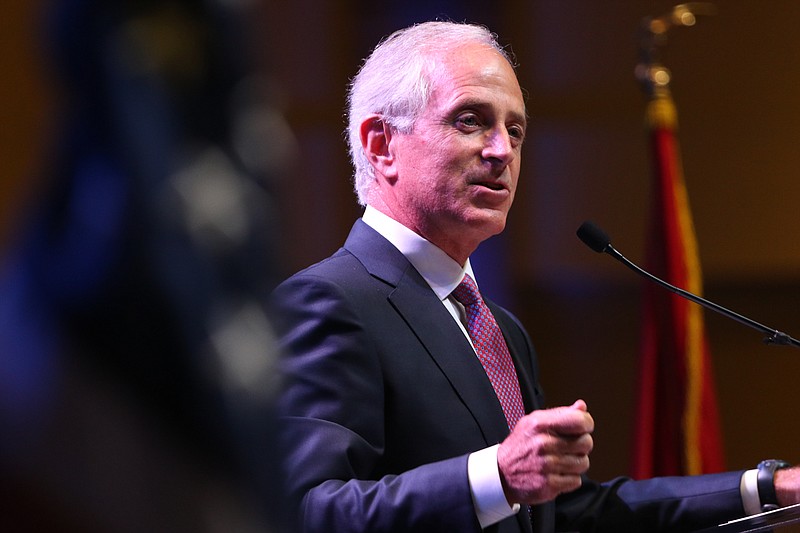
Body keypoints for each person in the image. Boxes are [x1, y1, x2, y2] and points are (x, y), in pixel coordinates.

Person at [272, 21, 800, 532]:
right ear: (381, 143)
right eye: (470, 120)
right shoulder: (328, 302)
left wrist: (772, 489)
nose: (502, 150)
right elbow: (304, 510)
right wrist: (496, 475)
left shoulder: (498, 327)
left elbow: (565, 515)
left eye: (515, 129)